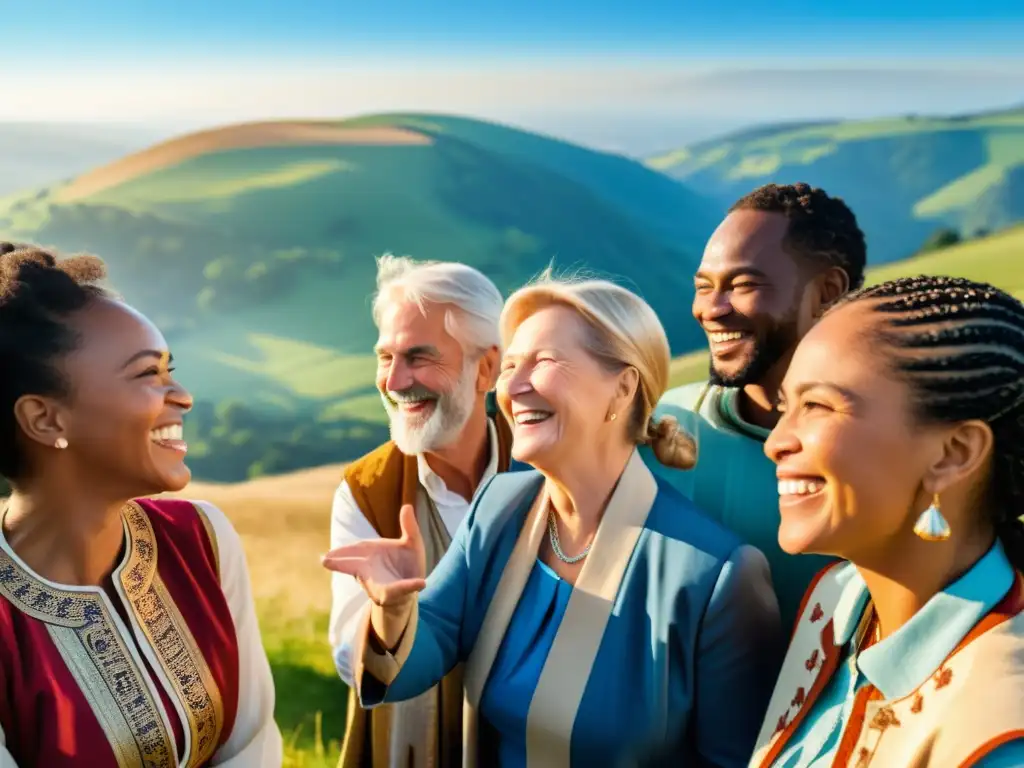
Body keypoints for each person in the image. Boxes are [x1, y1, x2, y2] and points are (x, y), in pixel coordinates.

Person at [323, 276, 783, 766]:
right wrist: (393, 610)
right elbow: (418, 656)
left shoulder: (716, 578)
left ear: (623, 387)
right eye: (512, 365)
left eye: (542, 362)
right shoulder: (499, 507)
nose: (513, 387)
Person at [0, 243, 281, 765]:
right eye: (147, 374)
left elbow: (252, 745)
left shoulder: (203, 538)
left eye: (170, 368)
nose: (182, 395)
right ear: (45, 419)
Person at [750, 275, 1024, 767]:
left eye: (817, 406)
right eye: (785, 406)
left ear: (953, 453)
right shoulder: (837, 603)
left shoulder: (1001, 734)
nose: (775, 442)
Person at [329, 254, 527, 768]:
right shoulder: (366, 489)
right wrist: (387, 614)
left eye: (418, 358)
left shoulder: (540, 469)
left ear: (486, 367)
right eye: (385, 357)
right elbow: (351, 658)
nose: (394, 382)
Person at [646, 183, 867, 628]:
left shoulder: (887, 438)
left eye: (742, 285)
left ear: (826, 292)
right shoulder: (666, 427)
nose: (710, 309)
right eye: (703, 287)